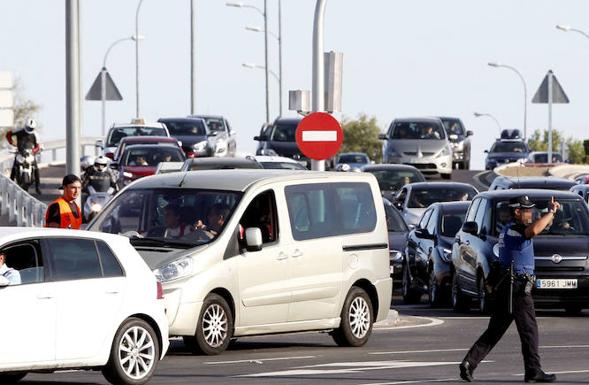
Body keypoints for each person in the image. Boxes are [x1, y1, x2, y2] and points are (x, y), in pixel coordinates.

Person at [459, 195, 559, 383]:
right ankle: (533, 371)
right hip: (518, 288)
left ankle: (469, 363)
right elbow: (534, 230)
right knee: (529, 330)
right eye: (527, 210)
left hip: (507, 286)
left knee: (495, 330)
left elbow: (537, 226)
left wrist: (549, 213)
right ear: (517, 212)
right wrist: (551, 212)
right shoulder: (515, 231)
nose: (530, 213)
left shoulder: (509, 230)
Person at [6, 118, 42, 194]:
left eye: (31, 128)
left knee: (36, 168)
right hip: (20, 152)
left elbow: (38, 146)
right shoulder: (18, 130)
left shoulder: (35, 134)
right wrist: (11, 142)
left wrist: (34, 151)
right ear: (25, 125)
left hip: (30, 154)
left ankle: (37, 187)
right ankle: (10, 185)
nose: (29, 129)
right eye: (28, 127)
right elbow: (8, 134)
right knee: (14, 166)